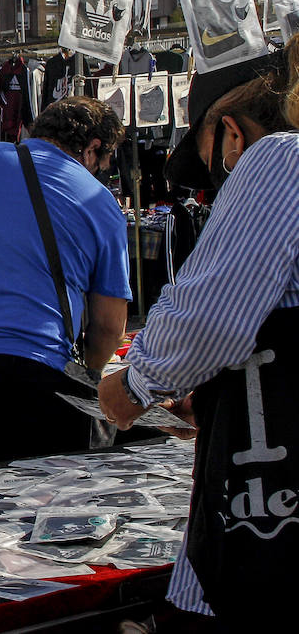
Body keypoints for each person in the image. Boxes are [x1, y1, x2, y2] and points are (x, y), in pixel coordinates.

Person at [98, 42, 299, 626]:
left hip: (267, 529)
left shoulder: (279, 159)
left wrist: (135, 383)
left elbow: (209, 313)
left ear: (232, 136)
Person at [0, 96, 130, 471]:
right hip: (32, 374)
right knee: (35, 514)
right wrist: (89, 372)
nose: (101, 173)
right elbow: (110, 325)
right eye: (104, 164)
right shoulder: (100, 201)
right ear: (93, 148)